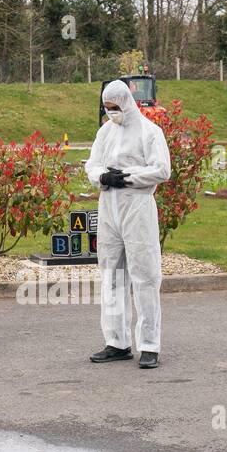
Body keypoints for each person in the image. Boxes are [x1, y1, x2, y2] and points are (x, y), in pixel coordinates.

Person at [84, 79, 171, 370]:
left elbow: (162, 169)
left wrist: (128, 176)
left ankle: (149, 344)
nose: (111, 112)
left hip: (137, 206)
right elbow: (92, 164)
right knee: (111, 274)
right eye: (107, 108)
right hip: (109, 206)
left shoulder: (150, 131)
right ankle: (117, 342)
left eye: (115, 107)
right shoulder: (105, 132)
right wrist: (102, 178)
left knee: (145, 275)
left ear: (126, 103)